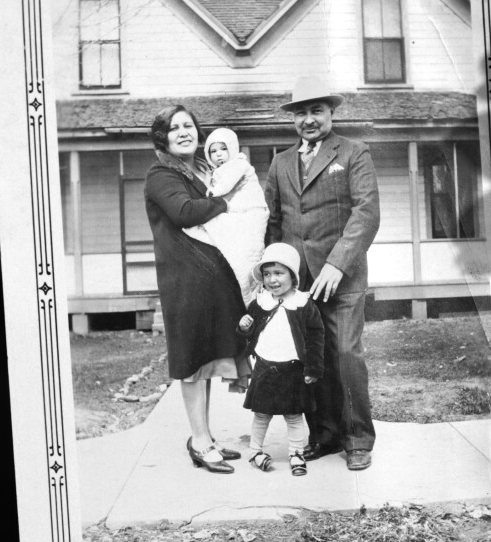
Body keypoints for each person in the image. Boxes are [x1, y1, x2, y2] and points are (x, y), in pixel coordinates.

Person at [264, 76, 380, 471]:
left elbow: (366, 213)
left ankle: (357, 440)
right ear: (293, 119)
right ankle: (325, 435)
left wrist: (337, 263)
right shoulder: (280, 162)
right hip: (299, 284)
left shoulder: (354, 152)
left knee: (345, 355)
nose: (309, 119)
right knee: (309, 360)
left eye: (317, 111)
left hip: (342, 279)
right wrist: (274, 275)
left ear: (331, 113)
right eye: (301, 113)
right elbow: (273, 222)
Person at [144, 105, 249, 474]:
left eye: (188, 125)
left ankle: (205, 437)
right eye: (174, 128)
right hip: (184, 280)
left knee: (205, 358)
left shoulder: (203, 170)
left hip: (209, 279)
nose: (184, 132)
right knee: (191, 359)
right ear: (163, 138)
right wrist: (225, 203)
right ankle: (200, 441)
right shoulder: (160, 174)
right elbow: (184, 212)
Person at [237, 243, 324, 476]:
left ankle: (296, 453)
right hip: (265, 367)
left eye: (278, 273)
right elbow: (251, 331)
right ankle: (255, 451)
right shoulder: (261, 302)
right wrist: (245, 327)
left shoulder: (303, 304)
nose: (272, 280)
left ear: (293, 276)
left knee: (294, 415)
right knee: (261, 413)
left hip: (293, 368)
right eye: (267, 274)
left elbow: (316, 337)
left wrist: (313, 368)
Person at [183, 127, 269, 303]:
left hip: (250, 211)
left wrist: (212, 193)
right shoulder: (216, 171)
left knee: (245, 257)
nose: (219, 155)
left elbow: (224, 186)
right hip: (235, 212)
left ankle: (248, 298)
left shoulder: (239, 164)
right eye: (213, 151)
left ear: (232, 148)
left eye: (223, 149)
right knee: (234, 255)